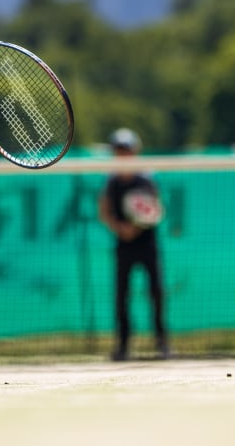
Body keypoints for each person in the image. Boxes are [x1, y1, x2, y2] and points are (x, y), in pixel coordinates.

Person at [98, 127, 169, 361]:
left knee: (156, 292)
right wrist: (120, 228)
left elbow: (156, 208)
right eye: (118, 150)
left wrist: (137, 226)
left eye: (125, 149)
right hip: (123, 245)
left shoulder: (146, 178)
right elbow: (104, 211)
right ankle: (123, 345)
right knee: (122, 295)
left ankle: (162, 342)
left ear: (134, 150)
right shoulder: (111, 181)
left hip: (147, 243)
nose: (122, 154)